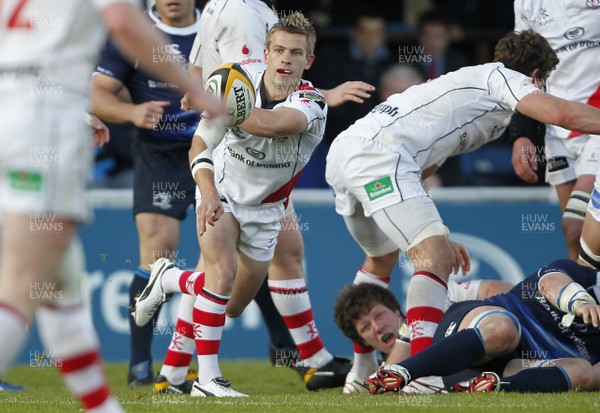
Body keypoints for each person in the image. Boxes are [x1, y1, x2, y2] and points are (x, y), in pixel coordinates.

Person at [325, 28, 600, 389]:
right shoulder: (501, 77)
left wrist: (429, 227)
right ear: (535, 76)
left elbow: (429, 162)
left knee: (380, 260)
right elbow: (563, 114)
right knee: (432, 256)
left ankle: (360, 373)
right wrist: (432, 242)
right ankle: (422, 378)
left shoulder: (481, 96)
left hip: (353, 155)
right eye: (543, 82)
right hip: (379, 155)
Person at [0, 0, 222, 411]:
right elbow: (121, 19)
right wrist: (194, 90)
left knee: (60, 280)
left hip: (11, 116)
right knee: (21, 280)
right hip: (41, 128)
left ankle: (104, 406)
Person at [155, 0, 375, 394]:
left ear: (309, 61)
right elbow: (200, 143)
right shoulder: (238, 77)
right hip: (221, 191)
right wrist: (207, 194)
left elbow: (273, 125)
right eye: (279, 51)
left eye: (295, 53)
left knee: (233, 303)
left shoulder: (313, 104)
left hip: (266, 210)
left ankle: (170, 279)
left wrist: (217, 100)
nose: (285, 60)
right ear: (266, 52)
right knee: (220, 275)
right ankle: (207, 379)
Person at [90, 0, 205, 389]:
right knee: (158, 253)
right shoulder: (133, 32)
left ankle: (279, 349)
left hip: (215, 147)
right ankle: (140, 366)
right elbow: (97, 92)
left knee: (235, 250)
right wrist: (131, 113)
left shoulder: (221, 27)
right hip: (158, 152)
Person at [360, 258, 600, 394]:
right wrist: (579, 301)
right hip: (476, 330)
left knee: (584, 372)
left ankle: (494, 387)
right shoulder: (579, 275)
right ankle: (401, 372)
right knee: (503, 329)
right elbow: (552, 284)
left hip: (512, 367)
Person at [510, 1, 600, 260]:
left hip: (595, 120)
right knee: (575, 236)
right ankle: (584, 296)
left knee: (576, 224)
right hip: (556, 125)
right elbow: (522, 68)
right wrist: (521, 133)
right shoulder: (525, 3)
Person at [336, 277, 513, 393]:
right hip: (502, 371)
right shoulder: (385, 379)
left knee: (500, 332)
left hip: (505, 338)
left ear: (396, 310)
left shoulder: (434, 297)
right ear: (363, 342)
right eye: (365, 327)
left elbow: (495, 289)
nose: (377, 327)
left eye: (379, 315)